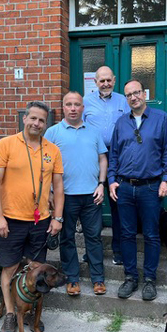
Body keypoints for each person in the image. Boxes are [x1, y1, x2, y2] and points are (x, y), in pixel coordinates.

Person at [0, 101, 64, 332]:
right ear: (24, 118)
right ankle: (11, 313)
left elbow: (59, 186)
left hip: (40, 221)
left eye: (41, 120)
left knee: (35, 268)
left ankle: (31, 312)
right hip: (10, 220)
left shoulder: (52, 150)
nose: (37, 123)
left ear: (46, 123)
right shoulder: (6, 145)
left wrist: (57, 218)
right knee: (10, 267)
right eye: (33, 118)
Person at [108, 79, 167, 301]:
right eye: (129, 94)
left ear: (144, 94)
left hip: (150, 187)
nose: (133, 97)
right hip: (125, 187)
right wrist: (111, 180)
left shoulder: (161, 118)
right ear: (126, 98)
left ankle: (149, 280)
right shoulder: (121, 123)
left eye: (137, 93)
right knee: (126, 234)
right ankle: (130, 278)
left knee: (151, 234)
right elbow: (114, 154)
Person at [44, 91, 108, 296]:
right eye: (69, 104)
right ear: (63, 107)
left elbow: (102, 160)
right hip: (65, 197)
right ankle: (72, 279)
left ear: (83, 107)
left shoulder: (94, 131)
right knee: (67, 238)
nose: (73, 108)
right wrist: (50, 192)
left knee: (94, 238)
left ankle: (98, 279)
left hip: (92, 195)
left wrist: (101, 184)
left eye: (77, 104)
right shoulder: (52, 133)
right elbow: (43, 165)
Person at [83, 66, 130, 265]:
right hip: (92, 156)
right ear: (95, 82)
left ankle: (118, 250)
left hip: (118, 156)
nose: (105, 84)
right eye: (101, 81)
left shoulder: (123, 101)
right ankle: (91, 251)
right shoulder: (85, 103)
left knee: (117, 203)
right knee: (91, 205)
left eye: (108, 80)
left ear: (114, 79)